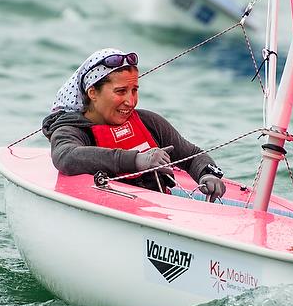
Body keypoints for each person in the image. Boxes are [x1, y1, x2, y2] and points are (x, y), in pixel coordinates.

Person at [42, 48, 226, 202]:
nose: (130, 101)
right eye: (121, 91)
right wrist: (137, 160)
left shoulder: (149, 122)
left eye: (134, 90)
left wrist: (207, 174)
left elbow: (192, 156)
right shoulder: (71, 130)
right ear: (92, 93)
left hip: (156, 214)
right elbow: (65, 157)